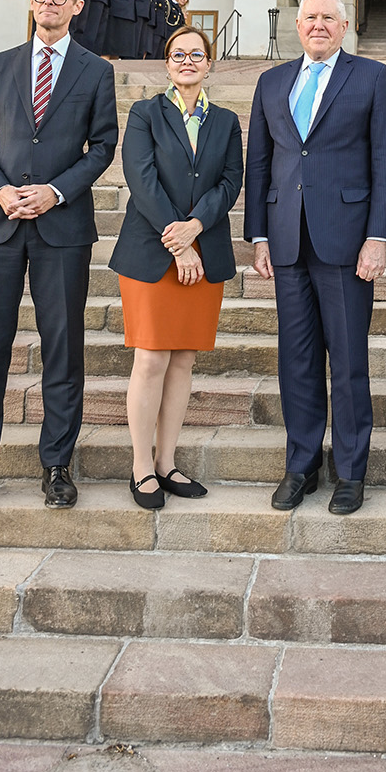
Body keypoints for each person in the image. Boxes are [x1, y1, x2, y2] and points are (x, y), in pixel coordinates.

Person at [0, 0, 118, 510]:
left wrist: (56, 192)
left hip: (61, 227)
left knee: (63, 349)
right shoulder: (1, 66)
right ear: (33, 1)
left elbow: (102, 146)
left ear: (77, 6)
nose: (49, 3)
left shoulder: (95, 71)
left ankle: (57, 466)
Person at [244, 0, 386, 516]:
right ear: (297, 25)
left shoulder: (373, 78)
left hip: (348, 242)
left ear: (345, 24)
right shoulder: (271, 82)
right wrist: (259, 235)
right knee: (298, 359)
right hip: (287, 240)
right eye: (309, 17)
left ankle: (351, 471)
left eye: (328, 18)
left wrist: (379, 237)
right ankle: (302, 464)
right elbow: (259, 163)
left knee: (349, 361)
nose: (318, 26)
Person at [109, 25, 242, 507]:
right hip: (152, 252)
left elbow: (231, 181)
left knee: (183, 357)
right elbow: (140, 177)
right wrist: (177, 239)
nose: (187, 61)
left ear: (210, 63)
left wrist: (196, 228)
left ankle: (167, 462)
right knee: (151, 358)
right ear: (167, 64)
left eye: (197, 54)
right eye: (178, 54)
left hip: (203, 251)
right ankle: (141, 466)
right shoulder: (146, 113)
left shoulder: (226, 121)